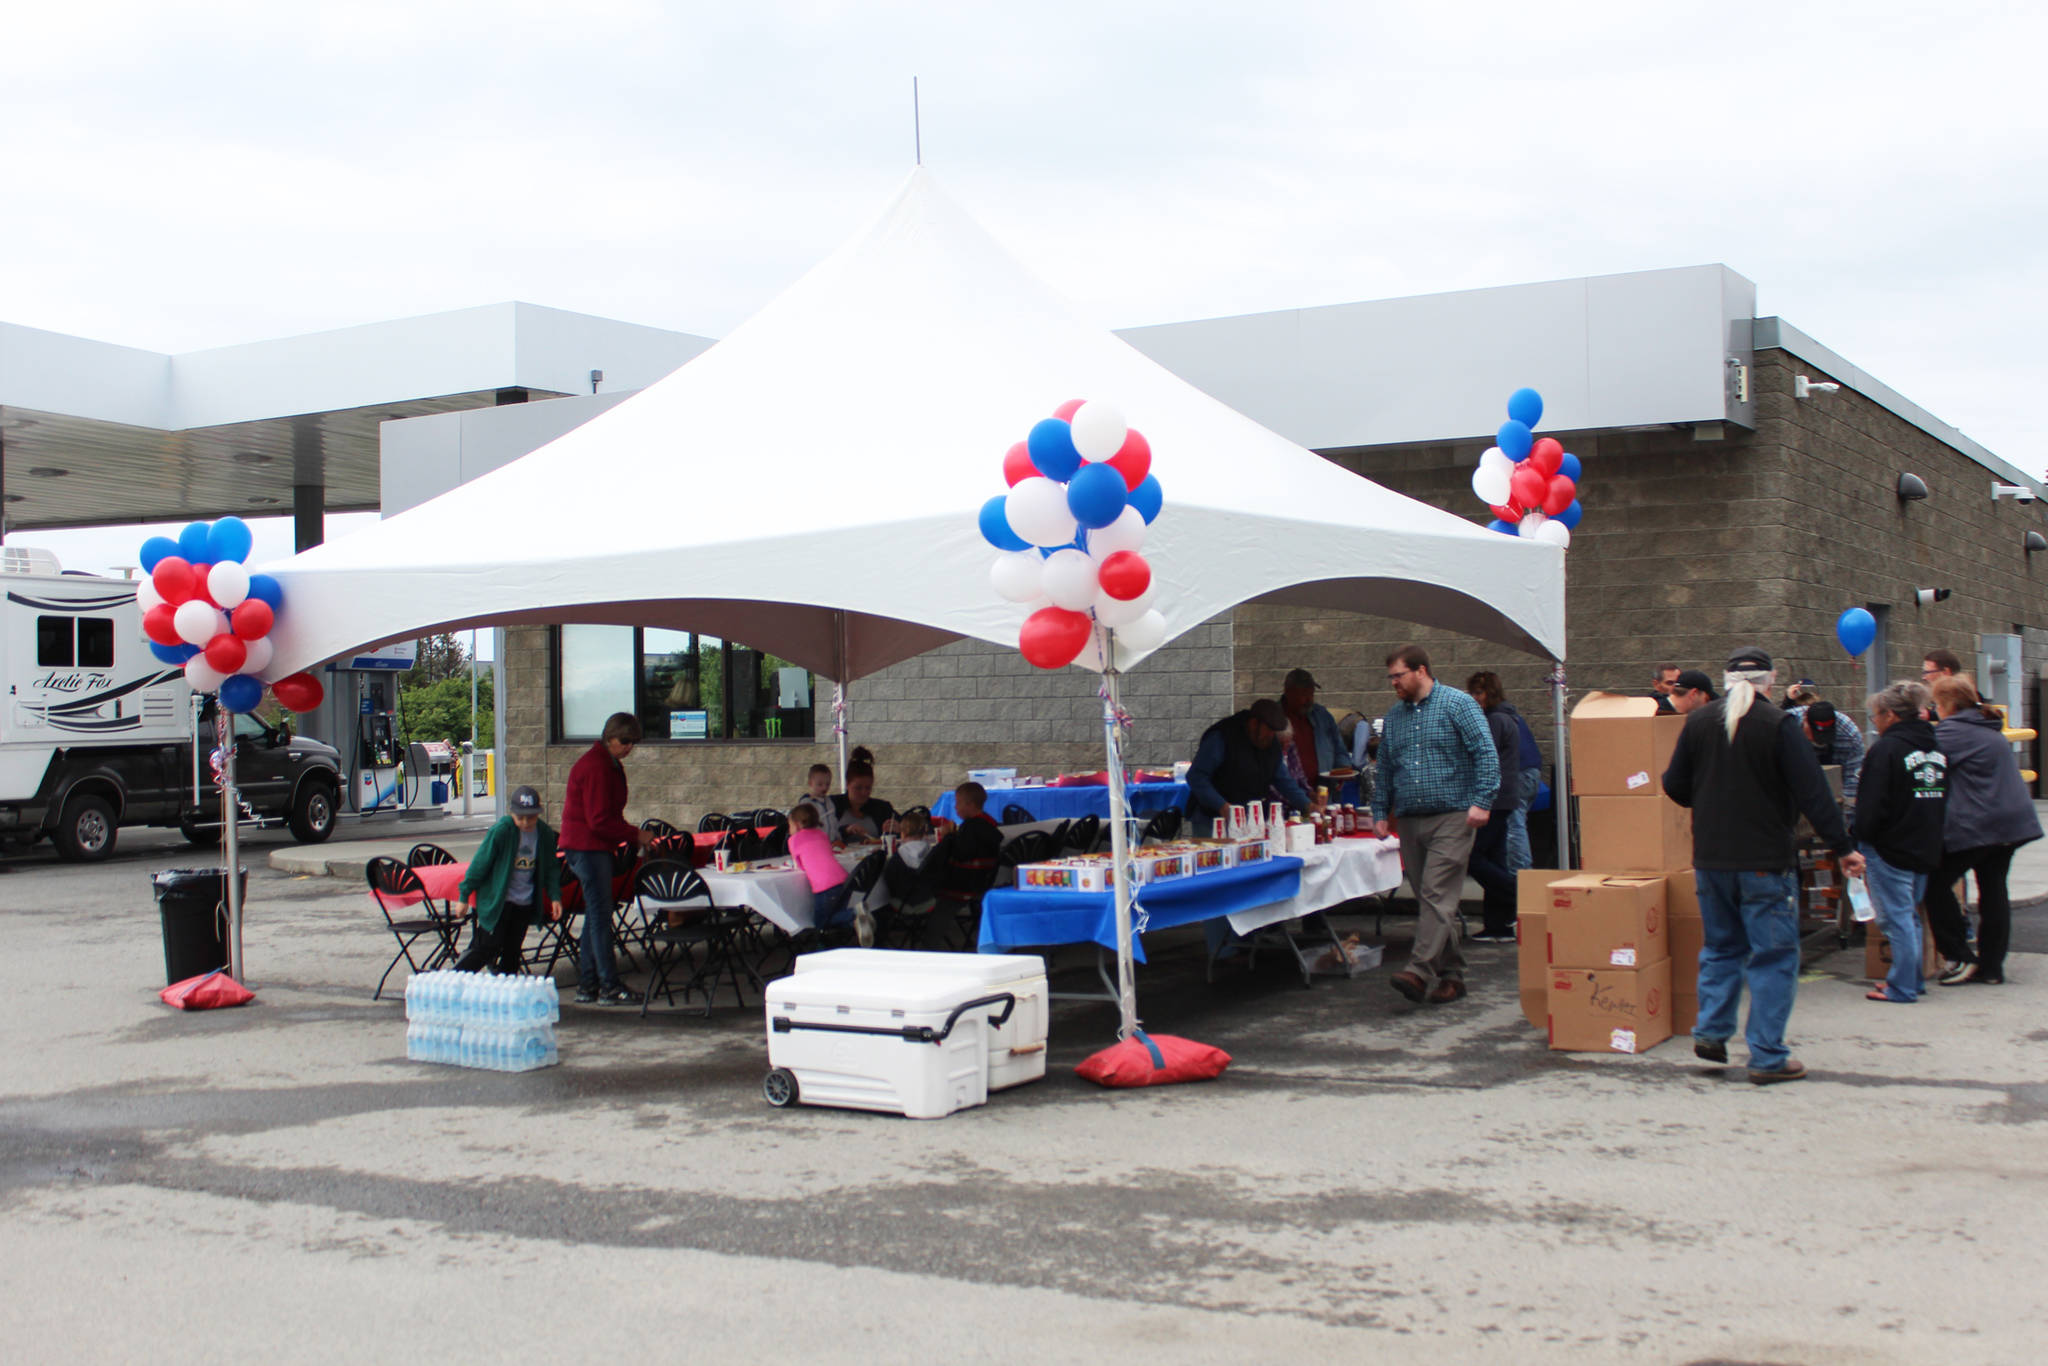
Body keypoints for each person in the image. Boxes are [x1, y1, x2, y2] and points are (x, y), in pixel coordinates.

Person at [1661, 648, 1864, 1084]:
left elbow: (1674, 784)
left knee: (1721, 947)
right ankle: (1767, 1056)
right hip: (1764, 860)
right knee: (1772, 957)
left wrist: (1711, 800)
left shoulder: (1698, 722)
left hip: (1712, 858)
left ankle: (1712, 1032)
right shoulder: (1780, 725)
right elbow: (1814, 792)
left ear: (1726, 681)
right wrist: (1842, 847)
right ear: (1770, 683)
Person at [1371, 645, 1500, 1005]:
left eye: (1398, 675)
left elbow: (1485, 752)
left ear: (1421, 671)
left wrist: (1482, 801)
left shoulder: (1458, 704)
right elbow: (1387, 767)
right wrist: (1380, 810)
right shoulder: (1395, 717)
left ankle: (1419, 970)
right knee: (1434, 902)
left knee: (1435, 894)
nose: (1393, 683)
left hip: (1454, 816)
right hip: (1411, 819)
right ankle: (1452, 975)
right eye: (1391, 677)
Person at [1924, 676, 2043, 986]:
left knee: (1935, 883)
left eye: (1937, 704)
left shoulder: (1952, 732)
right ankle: (1991, 967)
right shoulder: (1988, 728)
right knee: (1993, 891)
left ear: (1947, 705)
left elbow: (1926, 765)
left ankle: (1959, 954)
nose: (1935, 710)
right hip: (2011, 823)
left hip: (1981, 825)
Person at [1851, 681, 1945, 1004]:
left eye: (1875, 715)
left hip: (1890, 845)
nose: (1873, 721)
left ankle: (1902, 986)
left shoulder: (1887, 750)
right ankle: (1911, 979)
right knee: (1910, 915)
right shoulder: (1935, 748)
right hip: (1925, 840)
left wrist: (1859, 836)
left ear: (1890, 715)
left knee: (1896, 918)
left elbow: (1872, 803)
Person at [560, 711, 654, 1006]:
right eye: (625, 741)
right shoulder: (598, 767)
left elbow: (604, 817)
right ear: (609, 737)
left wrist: (625, 834)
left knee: (596, 916)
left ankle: (589, 985)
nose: (629, 747)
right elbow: (599, 820)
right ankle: (609, 986)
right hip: (588, 847)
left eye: (633, 742)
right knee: (600, 917)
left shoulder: (605, 763)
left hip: (589, 847)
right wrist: (634, 835)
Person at [452, 785, 564, 974]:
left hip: (523, 901)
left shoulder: (544, 834)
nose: (526, 822)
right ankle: (455, 978)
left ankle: (506, 983)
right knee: (487, 946)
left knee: (513, 949)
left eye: (531, 817)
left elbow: (551, 869)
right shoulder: (502, 831)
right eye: (520, 817)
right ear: (512, 814)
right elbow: (480, 864)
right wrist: (464, 896)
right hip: (499, 901)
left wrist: (555, 896)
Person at [1186, 698, 1316, 828]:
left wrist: (1307, 805)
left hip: (1248, 819)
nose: (1272, 735)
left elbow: (1283, 780)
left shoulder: (1270, 743)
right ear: (1254, 723)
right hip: (1212, 820)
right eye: (1269, 730)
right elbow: (1196, 776)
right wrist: (1221, 806)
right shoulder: (1222, 738)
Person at [1464, 672, 1522, 942]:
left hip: (1495, 799)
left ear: (1490, 693)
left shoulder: (1496, 720)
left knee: (1473, 858)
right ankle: (1498, 925)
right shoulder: (1506, 717)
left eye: (1479, 693)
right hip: (1504, 797)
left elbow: (1483, 756)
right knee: (1494, 858)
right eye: (1473, 693)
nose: (1475, 699)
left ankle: (1517, 893)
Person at [788, 802, 859, 942]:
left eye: (789, 825)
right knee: (837, 914)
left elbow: (801, 865)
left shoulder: (794, 840)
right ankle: (850, 927)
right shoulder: (822, 834)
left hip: (825, 885)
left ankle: (854, 915)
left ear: (796, 824)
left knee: (821, 922)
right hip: (843, 879)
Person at [1783, 692, 1865, 806]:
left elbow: (1852, 785)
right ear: (1805, 721)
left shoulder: (1850, 735)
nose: (1820, 741)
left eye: (1825, 736)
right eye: (1815, 735)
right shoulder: (1786, 725)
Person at [1495, 685, 1544, 873]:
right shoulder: (1511, 714)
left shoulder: (1496, 718)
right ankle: (1518, 871)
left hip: (1517, 774)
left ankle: (1520, 874)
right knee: (1516, 822)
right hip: (1531, 772)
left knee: (1514, 825)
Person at [1280, 668, 1346, 794]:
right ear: (1288, 692)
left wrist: (1342, 770)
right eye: (1304, 694)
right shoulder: (1276, 717)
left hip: (1323, 792)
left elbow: (1340, 749)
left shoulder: (1322, 716)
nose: (1309, 699)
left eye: (1312, 694)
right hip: (1287, 795)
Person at [832, 746, 897, 843]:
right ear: (847, 784)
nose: (864, 793)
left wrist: (900, 829)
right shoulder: (831, 805)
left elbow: (908, 827)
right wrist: (846, 830)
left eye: (868, 788)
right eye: (858, 788)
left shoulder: (882, 808)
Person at [794, 762, 842, 843]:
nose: (824, 787)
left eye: (827, 784)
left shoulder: (829, 802)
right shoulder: (806, 803)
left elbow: (833, 821)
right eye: (820, 784)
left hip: (831, 843)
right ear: (810, 783)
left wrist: (838, 837)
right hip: (814, 843)